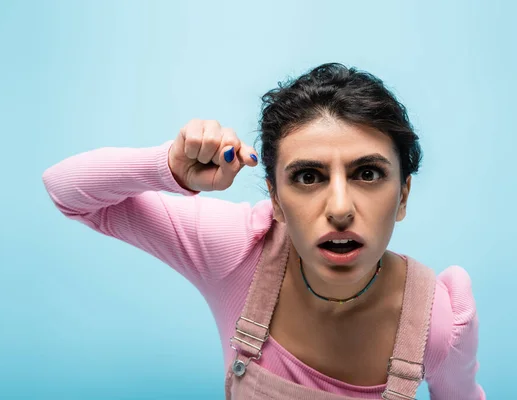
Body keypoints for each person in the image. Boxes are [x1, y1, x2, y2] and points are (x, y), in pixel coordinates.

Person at [42, 63, 485, 399]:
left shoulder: (437, 324)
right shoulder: (237, 249)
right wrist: (169, 169)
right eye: (308, 177)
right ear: (274, 199)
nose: (339, 209)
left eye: (367, 173)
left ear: (403, 195)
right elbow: (66, 190)